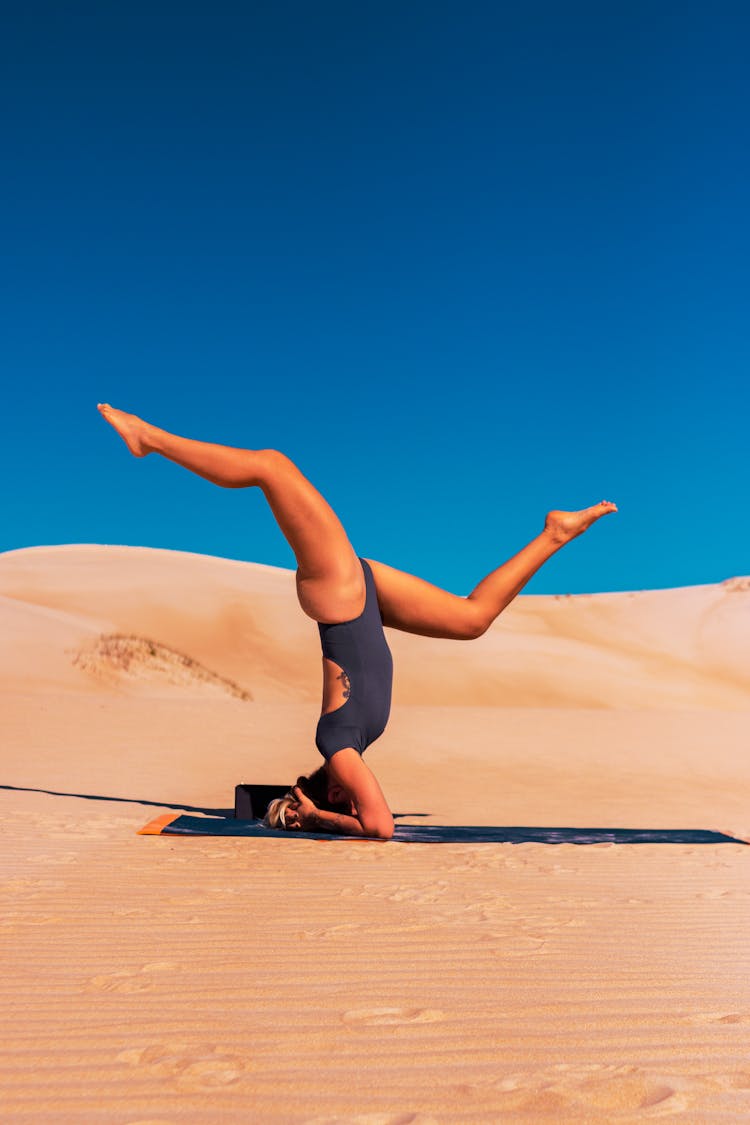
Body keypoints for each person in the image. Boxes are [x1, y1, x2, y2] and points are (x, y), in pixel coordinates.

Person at [97, 403, 617, 840]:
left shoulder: (337, 746)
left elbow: (380, 828)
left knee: (273, 467)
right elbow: (376, 820)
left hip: (340, 598)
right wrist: (324, 815)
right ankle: (555, 533)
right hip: (364, 597)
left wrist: (317, 816)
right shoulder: (354, 745)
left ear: (335, 787)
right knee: (471, 620)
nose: (355, 791)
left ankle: (150, 439)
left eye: (342, 796)